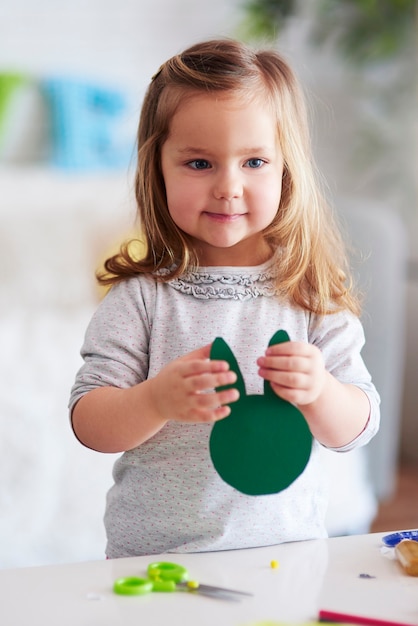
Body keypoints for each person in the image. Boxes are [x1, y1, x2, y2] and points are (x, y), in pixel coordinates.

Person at [69, 38, 380, 558]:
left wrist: (321, 391)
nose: (228, 186)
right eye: (198, 164)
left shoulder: (310, 296)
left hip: (287, 558)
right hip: (156, 563)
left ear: (286, 169)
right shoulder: (142, 299)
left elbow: (358, 426)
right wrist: (154, 400)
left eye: (254, 161)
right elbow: (89, 421)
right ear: (158, 170)